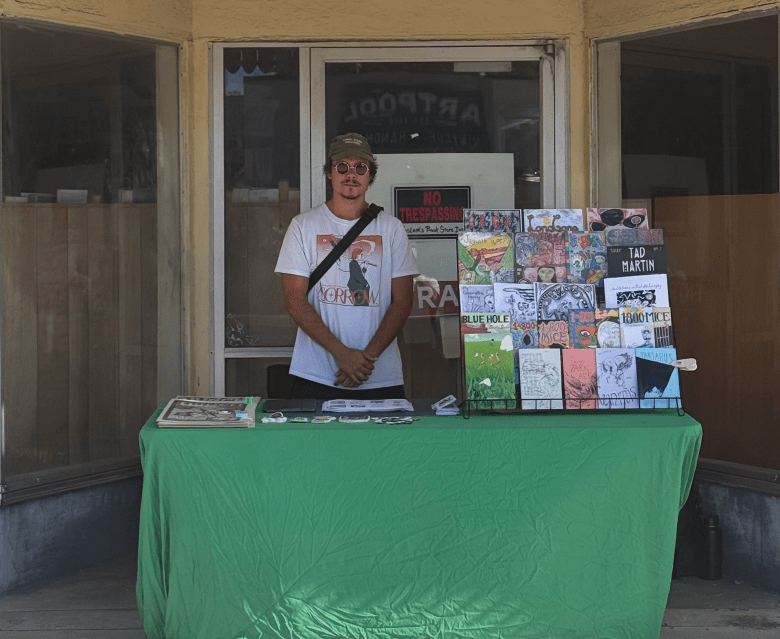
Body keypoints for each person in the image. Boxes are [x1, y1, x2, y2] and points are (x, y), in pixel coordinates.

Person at [275, 133, 418, 399]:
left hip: (378, 374)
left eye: (360, 168)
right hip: (316, 373)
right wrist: (343, 354)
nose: (350, 174)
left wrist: (365, 360)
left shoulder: (391, 228)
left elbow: (403, 301)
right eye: (342, 166)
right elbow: (293, 299)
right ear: (330, 172)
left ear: (370, 175)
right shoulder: (303, 226)